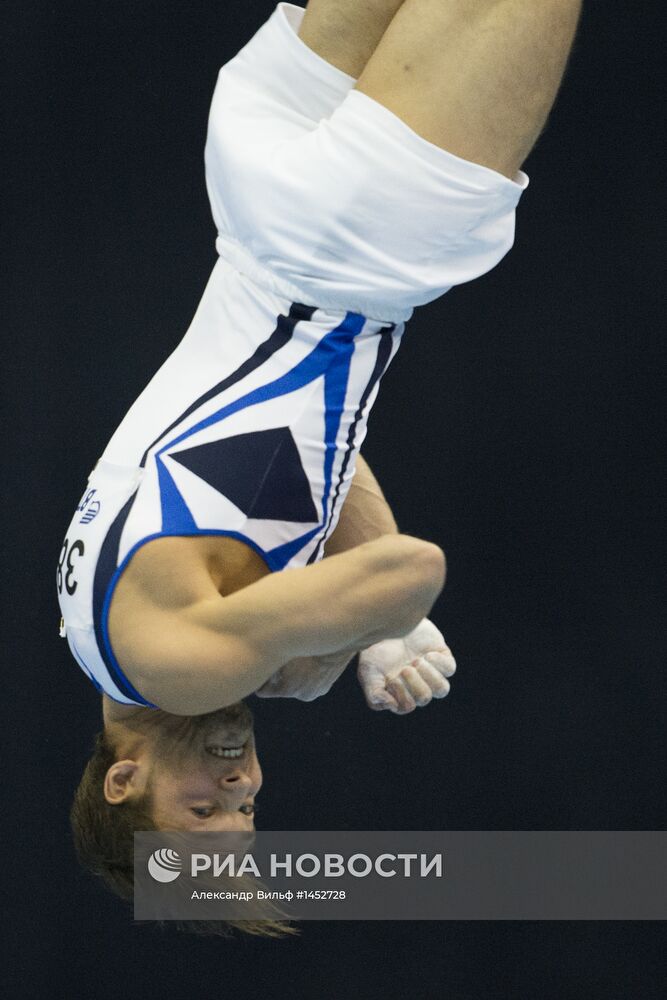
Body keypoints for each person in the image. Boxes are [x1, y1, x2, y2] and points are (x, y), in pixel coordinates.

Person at [60, 0, 581, 917]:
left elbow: (411, 569)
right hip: (253, 179)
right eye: (250, 806)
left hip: (361, 241)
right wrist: (342, 622)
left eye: (203, 810)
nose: (237, 781)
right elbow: (304, 460)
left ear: (122, 782)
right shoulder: (87, 625)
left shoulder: (186, 669)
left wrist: (349, 640)